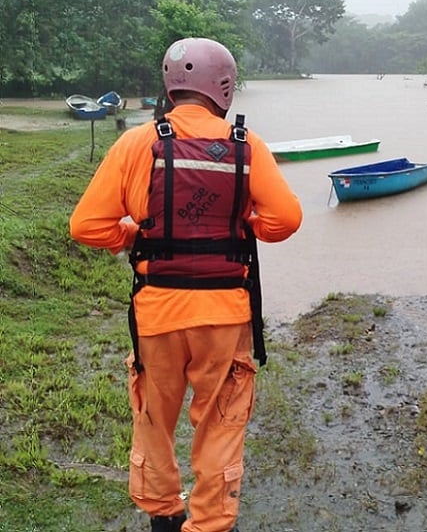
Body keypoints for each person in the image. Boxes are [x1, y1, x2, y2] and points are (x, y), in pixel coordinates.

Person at [70, 37, 303, 532]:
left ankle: (164, 513)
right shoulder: (246, 145)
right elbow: (286, 219)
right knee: (220, 423)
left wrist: (132, 231)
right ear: (225, 87)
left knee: (154, 419)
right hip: (223, 316)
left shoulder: (137, 142)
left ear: (170, 86)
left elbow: (87, 227)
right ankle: (211, 523)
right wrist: (250, 224)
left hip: (157, 315)